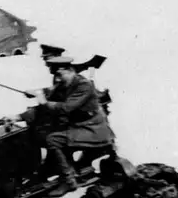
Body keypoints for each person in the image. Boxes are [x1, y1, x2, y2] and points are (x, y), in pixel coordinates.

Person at [15, 56, 115, 190]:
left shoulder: (84, 85)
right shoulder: (64, 84)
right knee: (38, 133)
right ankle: (45, 171)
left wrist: (43, 100)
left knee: (53, 140)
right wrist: (17, 117)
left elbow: (65, 108)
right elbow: (46, 101)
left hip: (94, 130)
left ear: (69, 71)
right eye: (55, 75)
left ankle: (68, 180)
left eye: (59, 75)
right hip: (79, 127)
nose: (56, 79)